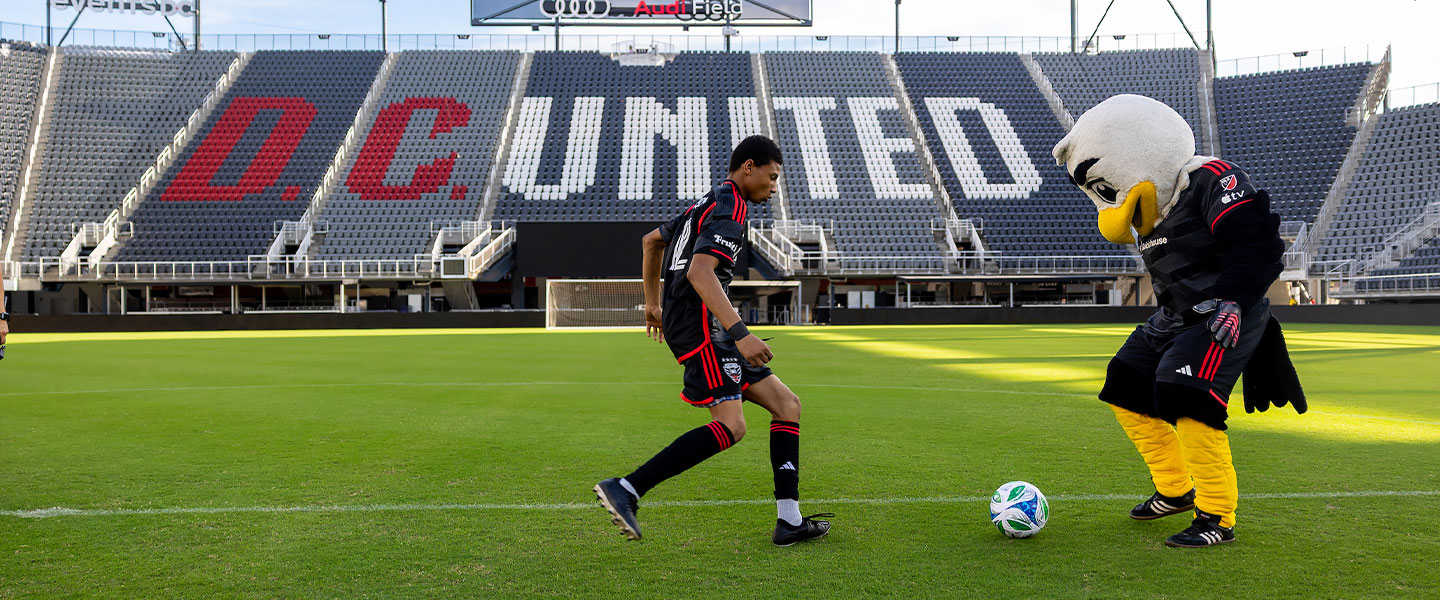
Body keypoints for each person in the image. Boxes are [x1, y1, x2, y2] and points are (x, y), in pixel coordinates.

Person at [1052, 95, 1306, 548]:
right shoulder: (1153, 205)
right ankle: (1175, 489)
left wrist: (1233, 300)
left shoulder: (1211, 179)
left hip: (1225, 312)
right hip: (1175, 317)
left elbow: (1257, 242)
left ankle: (1217, 516)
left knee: (1186, 394)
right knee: (1124, 383)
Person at [594, 136, 831, 546]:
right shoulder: (731, 208)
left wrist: (653, 305)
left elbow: (652, 241)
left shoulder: (704, 203)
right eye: (772, 178)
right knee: (731, 426)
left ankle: (789, 521)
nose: (774, 187)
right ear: (748, 167)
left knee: (786, 404)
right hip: (704, 325)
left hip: (698, 321)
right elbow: (700, 274)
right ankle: (627, 488)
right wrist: (741, 334)